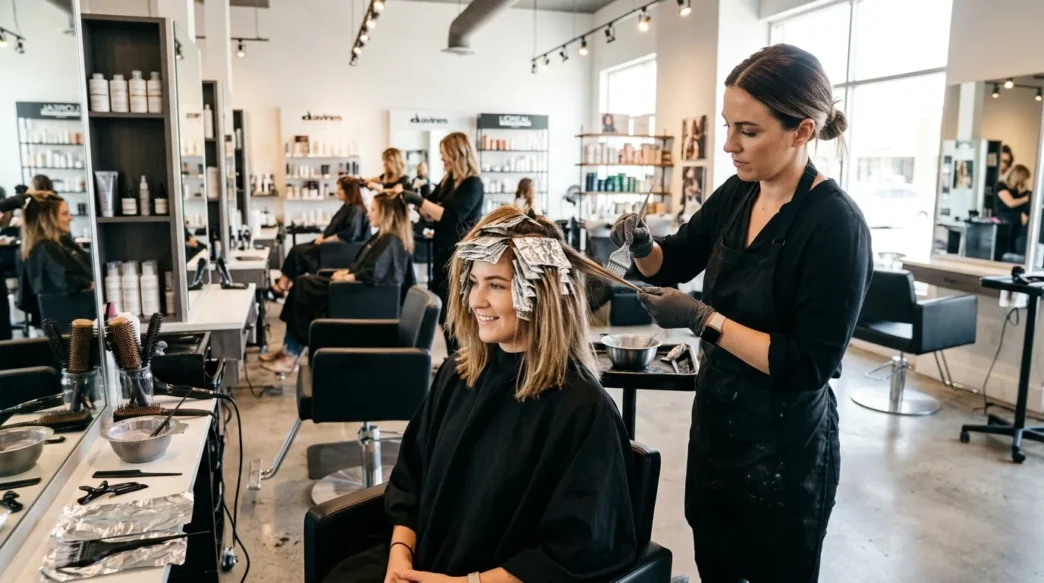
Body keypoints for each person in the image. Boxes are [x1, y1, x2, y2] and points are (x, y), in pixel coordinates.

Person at [611, 44, 873, 582]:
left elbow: (806, 365)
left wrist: (702, 319)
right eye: (729, 126)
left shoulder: (834, 226)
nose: (729, 145)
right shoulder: (737, 193)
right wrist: (642, 246)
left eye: (748, 131)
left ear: (802, 131)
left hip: (784, 453)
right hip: (717, 432)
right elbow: (672, 262)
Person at [322, 207, 638, 583]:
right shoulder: (459, 374)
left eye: (497, 285)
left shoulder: (582, 410)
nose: (476, 301)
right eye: (473, 282)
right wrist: (400, 556)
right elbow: (411, 478)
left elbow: (579, 547)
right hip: (422, 563)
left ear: (541, 291)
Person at [262, 191, 414, 374]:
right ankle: (288, 350)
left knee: (303, 288)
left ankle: (289, 356)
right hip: (353, 290)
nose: (369, 213)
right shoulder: (383, 237)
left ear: (387, 214)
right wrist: (349, 272)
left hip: (357, 298)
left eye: (374, 209)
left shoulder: (391, 241)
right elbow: (367, 267)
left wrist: (351, 277)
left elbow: (376, 274)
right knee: (301, 285)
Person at [401, 132, 484, 355]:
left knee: (457, 316)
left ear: (458, 154)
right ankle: (453, 362)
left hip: (461, 259)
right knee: (446, 315)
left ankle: (463, 364)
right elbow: (430, 212)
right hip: (441, 255)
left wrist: (420, 202)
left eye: (444, 155)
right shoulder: (448, 182)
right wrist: (418, 201)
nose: (441, 160)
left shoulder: (472, 184)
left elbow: (450, 217)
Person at [273, 175, 370, 293]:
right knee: (297, 250)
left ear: (348, 191)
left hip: (335, 250)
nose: (337, 192)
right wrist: (323, 237)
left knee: (297, 252)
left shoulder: (356, 210)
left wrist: (325, 240)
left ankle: (282, 285)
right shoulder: (347, 207)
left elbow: (348, 235)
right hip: (329, 246)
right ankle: (285, 284)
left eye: (340, 189)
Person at [21, 191, 94, 296]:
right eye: (65, 214)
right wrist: (88, 285)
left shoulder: (62, 241)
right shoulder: (45, 248)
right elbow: (67, 280)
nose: (71, 218)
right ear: (47, 219)